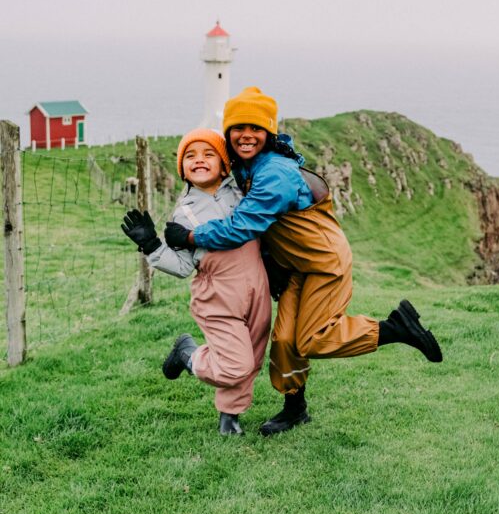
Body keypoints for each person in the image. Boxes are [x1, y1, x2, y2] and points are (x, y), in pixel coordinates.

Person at [164, 88, 442, 437]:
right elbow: (264, 231)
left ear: (269, 132)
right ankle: (296, 410)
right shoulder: (248, 168)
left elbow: (243, 227)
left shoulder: (274, 174)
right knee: (284, 342)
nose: (246, 135)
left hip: (324, 263)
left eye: (256, 127)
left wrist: (190, 238)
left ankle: (395, 329)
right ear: (229, 131)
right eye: (238, 127)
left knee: (313, 339)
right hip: (298, 266)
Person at [121, 128, 271, 436]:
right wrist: (152, 245)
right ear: (182, 168)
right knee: (234, 364)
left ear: (223, 164)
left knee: (252, 357)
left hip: (257, 289)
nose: (199, 160)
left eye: (208, 154)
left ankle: (229, 417)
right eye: (190, 156)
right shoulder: (183, 214)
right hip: (217, 296)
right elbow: (182, 266)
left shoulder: (241, 191)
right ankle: (187, 354)